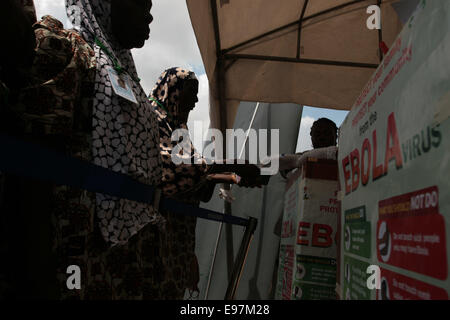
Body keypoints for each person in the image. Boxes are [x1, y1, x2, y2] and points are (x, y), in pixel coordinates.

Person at [1, 0, 171, 300]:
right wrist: (37, 276)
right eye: (140, 4)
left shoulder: (126, 72)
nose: (149, 14)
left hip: (125, 254)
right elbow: (31, 173)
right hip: (77, 254)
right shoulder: (67, 51)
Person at [149, 67, 264, 299]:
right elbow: (186, 172)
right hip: (155, 242)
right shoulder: (154, 119)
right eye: (190, 93)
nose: (195, 101)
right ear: (173, 91)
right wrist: (235, 165)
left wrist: (232, 178)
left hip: (178, 240)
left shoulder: (178, 130)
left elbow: (198, 183)